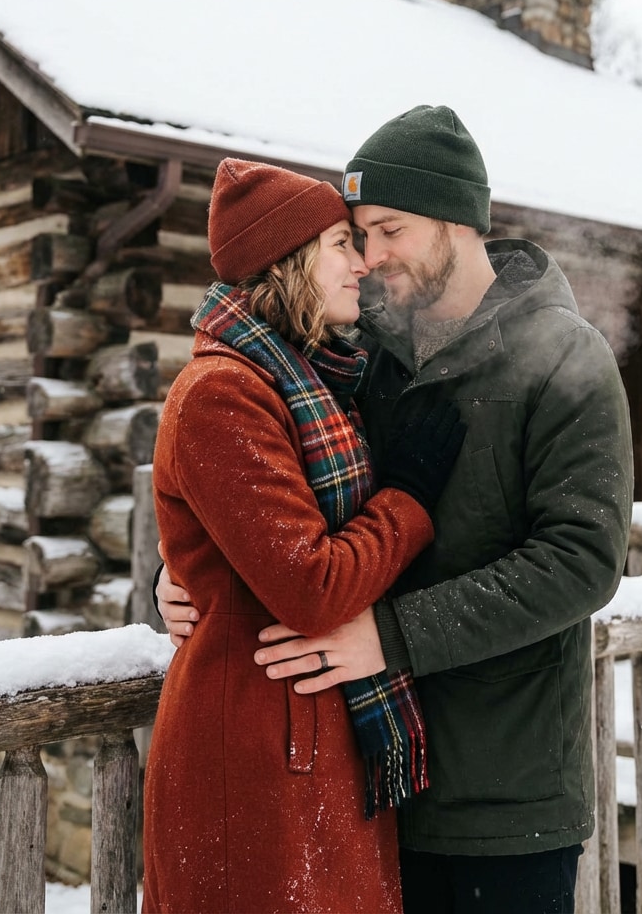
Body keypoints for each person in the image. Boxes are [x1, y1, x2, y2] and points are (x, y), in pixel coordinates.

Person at [157, 107, 634, 914]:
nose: (371, 257)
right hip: (368, 786)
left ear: (454, 220)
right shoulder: (360, 353)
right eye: (357, 236)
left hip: (500, 796)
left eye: (389, 230)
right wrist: (185, 574)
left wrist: (391, 636)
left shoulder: (564, 356)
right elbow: (259, 487)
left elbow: (582, 561)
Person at [142, 157, 466, 914]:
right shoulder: (223, 393)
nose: (360, 263)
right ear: (284, 262)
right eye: (337, 245)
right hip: (250, 760)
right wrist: (410, 499)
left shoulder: (315, 380)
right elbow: (311, 585)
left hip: (318, 740)